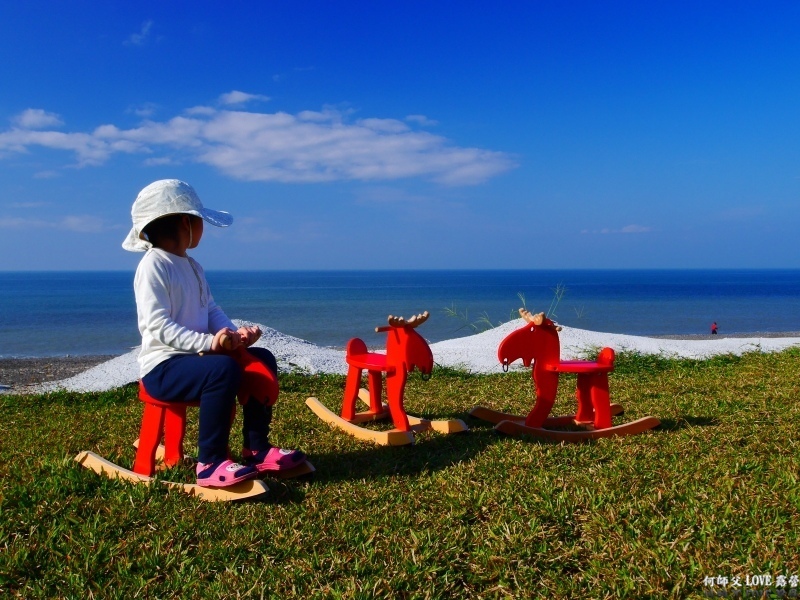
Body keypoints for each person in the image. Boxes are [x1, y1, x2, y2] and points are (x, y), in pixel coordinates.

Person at [123, 179, 305, 488]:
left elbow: (210, 310)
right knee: (221, 369)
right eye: (200, 220)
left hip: (197, 359)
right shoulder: (153, 265)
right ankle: (209, 461)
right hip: (163, 368)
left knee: (260, 358)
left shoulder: (192, 265)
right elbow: (158, 327)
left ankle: (256, 447)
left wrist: (233, 336)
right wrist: (210, 343)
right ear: (186, 222)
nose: (203, 227)